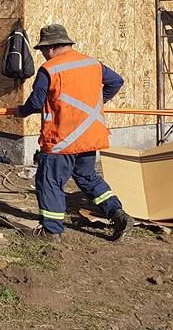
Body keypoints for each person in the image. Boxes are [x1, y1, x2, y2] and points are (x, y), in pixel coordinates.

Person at [13, 24, 133, 241]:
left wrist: (21, 112)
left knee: (49, 181)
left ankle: (51, 231)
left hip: (62, 140)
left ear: (49, 48)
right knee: (87, 177)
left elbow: (37, 102)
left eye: (42, 51)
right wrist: (95, 105)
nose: (43, 55)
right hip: (89, 137)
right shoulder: (92, 64)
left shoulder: (49, 69)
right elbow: (116, 81)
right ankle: (117, 213)